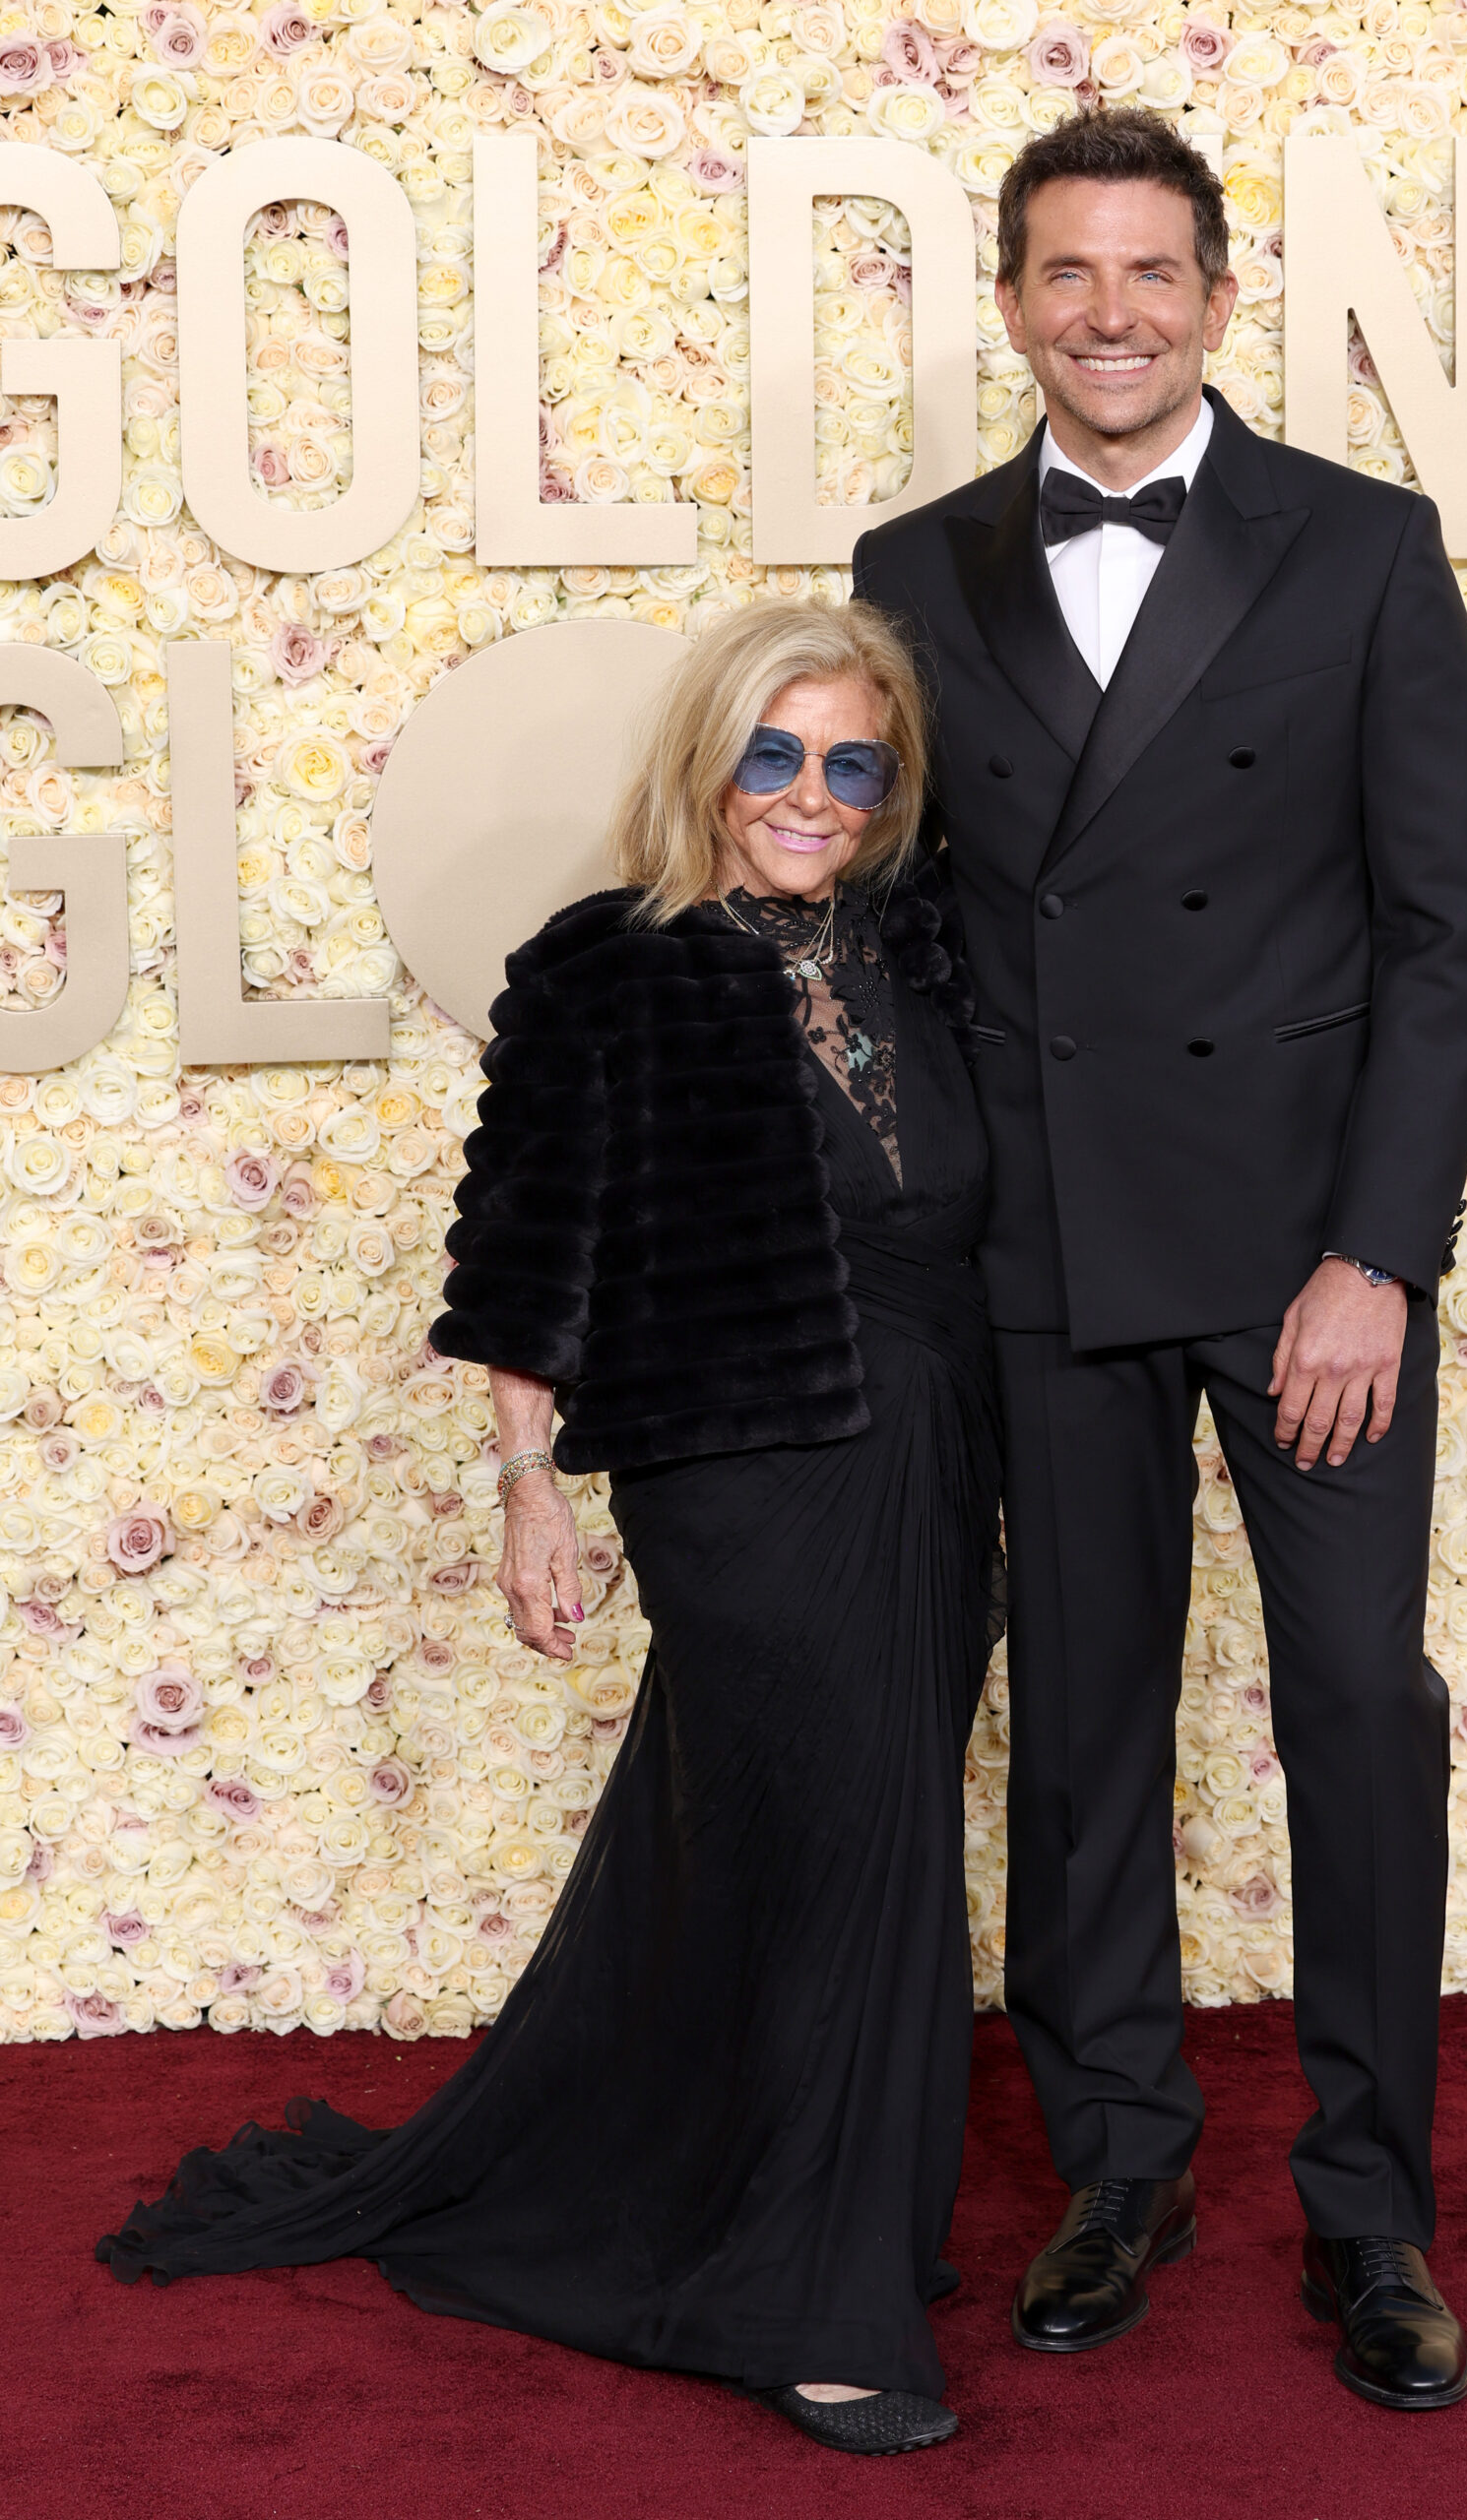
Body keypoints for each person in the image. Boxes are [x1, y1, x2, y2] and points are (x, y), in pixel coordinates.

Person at [96, 599, 1004, 2460]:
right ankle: (810, 2304)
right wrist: (529, 1487)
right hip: (742, 1465)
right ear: (707, 762)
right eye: (775, 754)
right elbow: (529, 1252)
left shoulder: (929, 950)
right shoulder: (613, 966)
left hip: (941, 1452)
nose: (811, 797)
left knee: (848, 1838)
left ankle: (793, 2209)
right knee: (848, 1835)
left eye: (853, 761)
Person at [852, 106, 1467, 2412]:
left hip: (1304, 1252)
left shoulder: (1357, 545)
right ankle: (1116, 2164)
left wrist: (1374, 1256)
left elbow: (1439, 935)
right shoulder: (910, 562)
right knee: (1087, 1733)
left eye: (1148, 272)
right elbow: (893, 924)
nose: (1106, 311)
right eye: (1063, 272)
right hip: (1042, 1238)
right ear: (1010, 300)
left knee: (1354, 1711)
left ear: (1214, 297)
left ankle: (1367, 2209)